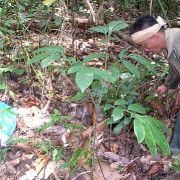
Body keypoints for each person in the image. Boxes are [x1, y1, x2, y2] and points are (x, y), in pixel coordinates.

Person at [130, 15, 180, 153]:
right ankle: (174, 153)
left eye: (144, 45)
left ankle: (175, 153)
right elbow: (176, 68)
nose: (145, 49)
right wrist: (167, 85)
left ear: (155, 37)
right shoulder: (168, 45)